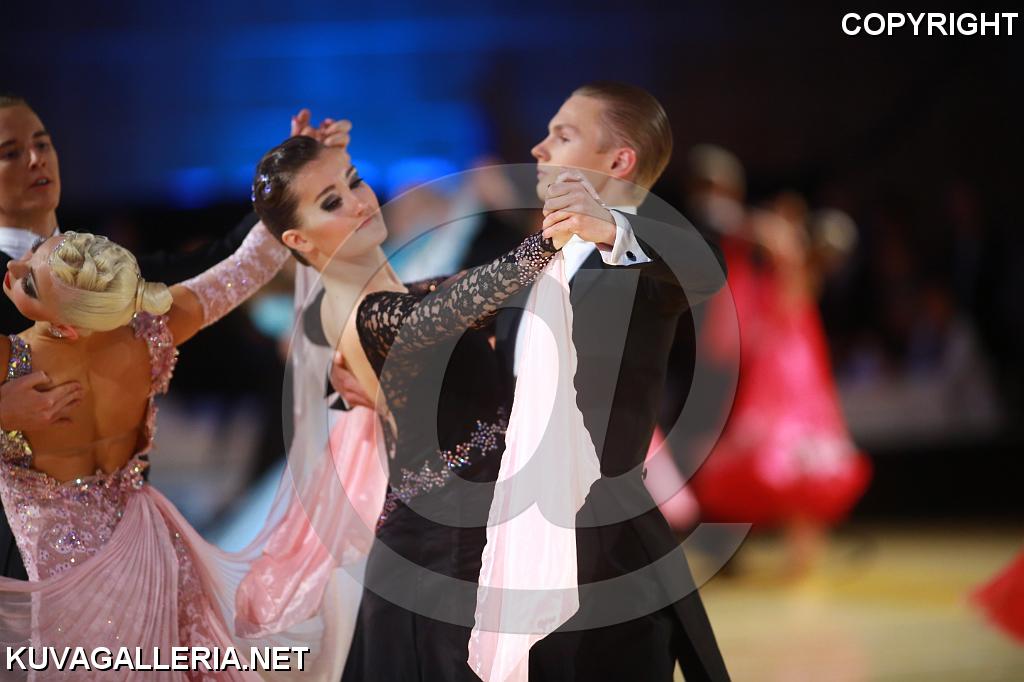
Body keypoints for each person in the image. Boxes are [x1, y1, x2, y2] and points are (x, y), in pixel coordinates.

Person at [249, 127, 610, 680]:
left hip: (457, 537)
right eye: (331, 202)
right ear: (299, 239)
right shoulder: (373, 315)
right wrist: (548, 239)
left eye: (354, 182)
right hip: (442, 555)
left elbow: (458, 291)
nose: (359, 202)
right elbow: (462, 301)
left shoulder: (391, 297)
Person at [0, 217, 376, 677]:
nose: (12, 267)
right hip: (154, 553)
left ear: (67, 325)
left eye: (30, 281)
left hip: (69, 582)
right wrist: (285, 202)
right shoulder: (148, 335)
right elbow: (246, 267)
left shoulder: (11, 361)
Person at [0, 96, 349, 582]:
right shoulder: (147, 328)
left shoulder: (115, 282)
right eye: (10, 152)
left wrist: (293, 176)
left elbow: (230, 260)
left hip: (112, 570)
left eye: (42, 143)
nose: (36, 159)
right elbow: (243, 267)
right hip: (72, 566)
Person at [690, 195, 872, 577]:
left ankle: (801, 553)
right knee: (794, 466)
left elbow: (775, 243)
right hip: (787, 372)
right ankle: (799, 552)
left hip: (789, 376)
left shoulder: (795, 272)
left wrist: (757, 223)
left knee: (795, 462)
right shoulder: (789, 274)